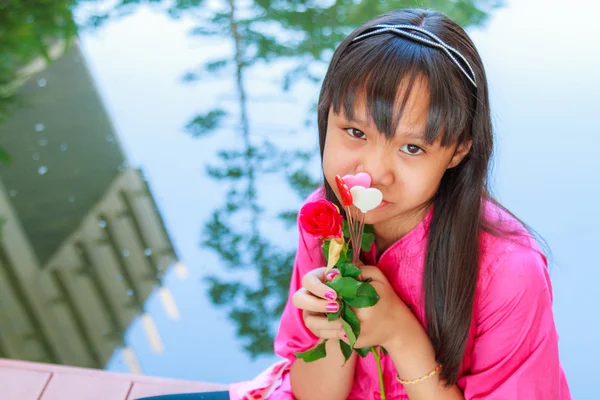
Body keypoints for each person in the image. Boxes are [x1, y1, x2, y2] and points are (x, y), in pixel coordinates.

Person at [142, 7, 571, 400]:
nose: (374, 173)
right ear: (325, 115)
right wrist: (331, 332)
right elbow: (313, 395)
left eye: (413, 148)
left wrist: (401, 336)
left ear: (458, 151)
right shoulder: (325, 218)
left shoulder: (510, 273)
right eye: (356, 133)